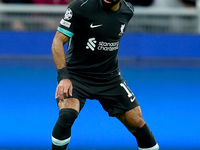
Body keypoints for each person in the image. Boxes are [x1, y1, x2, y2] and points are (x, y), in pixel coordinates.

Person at [51, 0, 160, 150]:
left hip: (110, 78)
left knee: (137, 121)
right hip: (77, 76)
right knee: (67, 114)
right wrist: (63, 76)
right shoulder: (80, 7)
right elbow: (57, 41)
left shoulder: (128, 11)